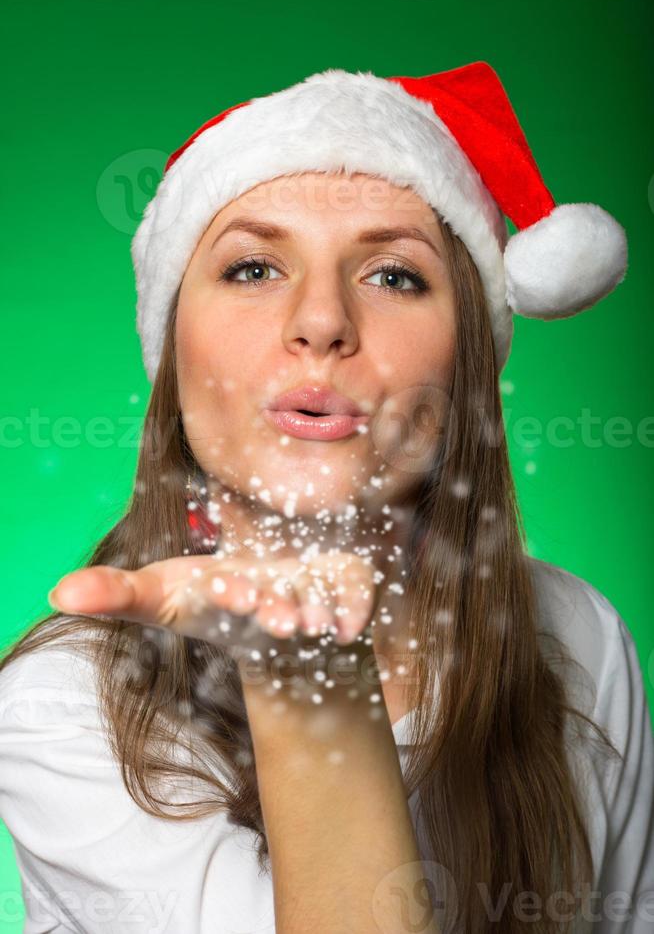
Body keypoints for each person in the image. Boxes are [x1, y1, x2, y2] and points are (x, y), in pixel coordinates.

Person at [0, 62, 651, 934]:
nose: (320, 321)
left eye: (393, 276)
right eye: (255, 266)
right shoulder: (60, 706)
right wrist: (309, 678)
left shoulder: (578, 636)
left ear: (467, 360)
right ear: (173, 346)